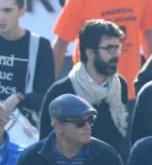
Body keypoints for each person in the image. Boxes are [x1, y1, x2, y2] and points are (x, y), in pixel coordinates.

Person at [44, 17, 131, 152]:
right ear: (90, 53)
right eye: (109, 48)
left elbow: (122, 139)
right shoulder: (61, 91)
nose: (115, 55)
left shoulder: (120, 86)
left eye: (117, 48)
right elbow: (45, 143)